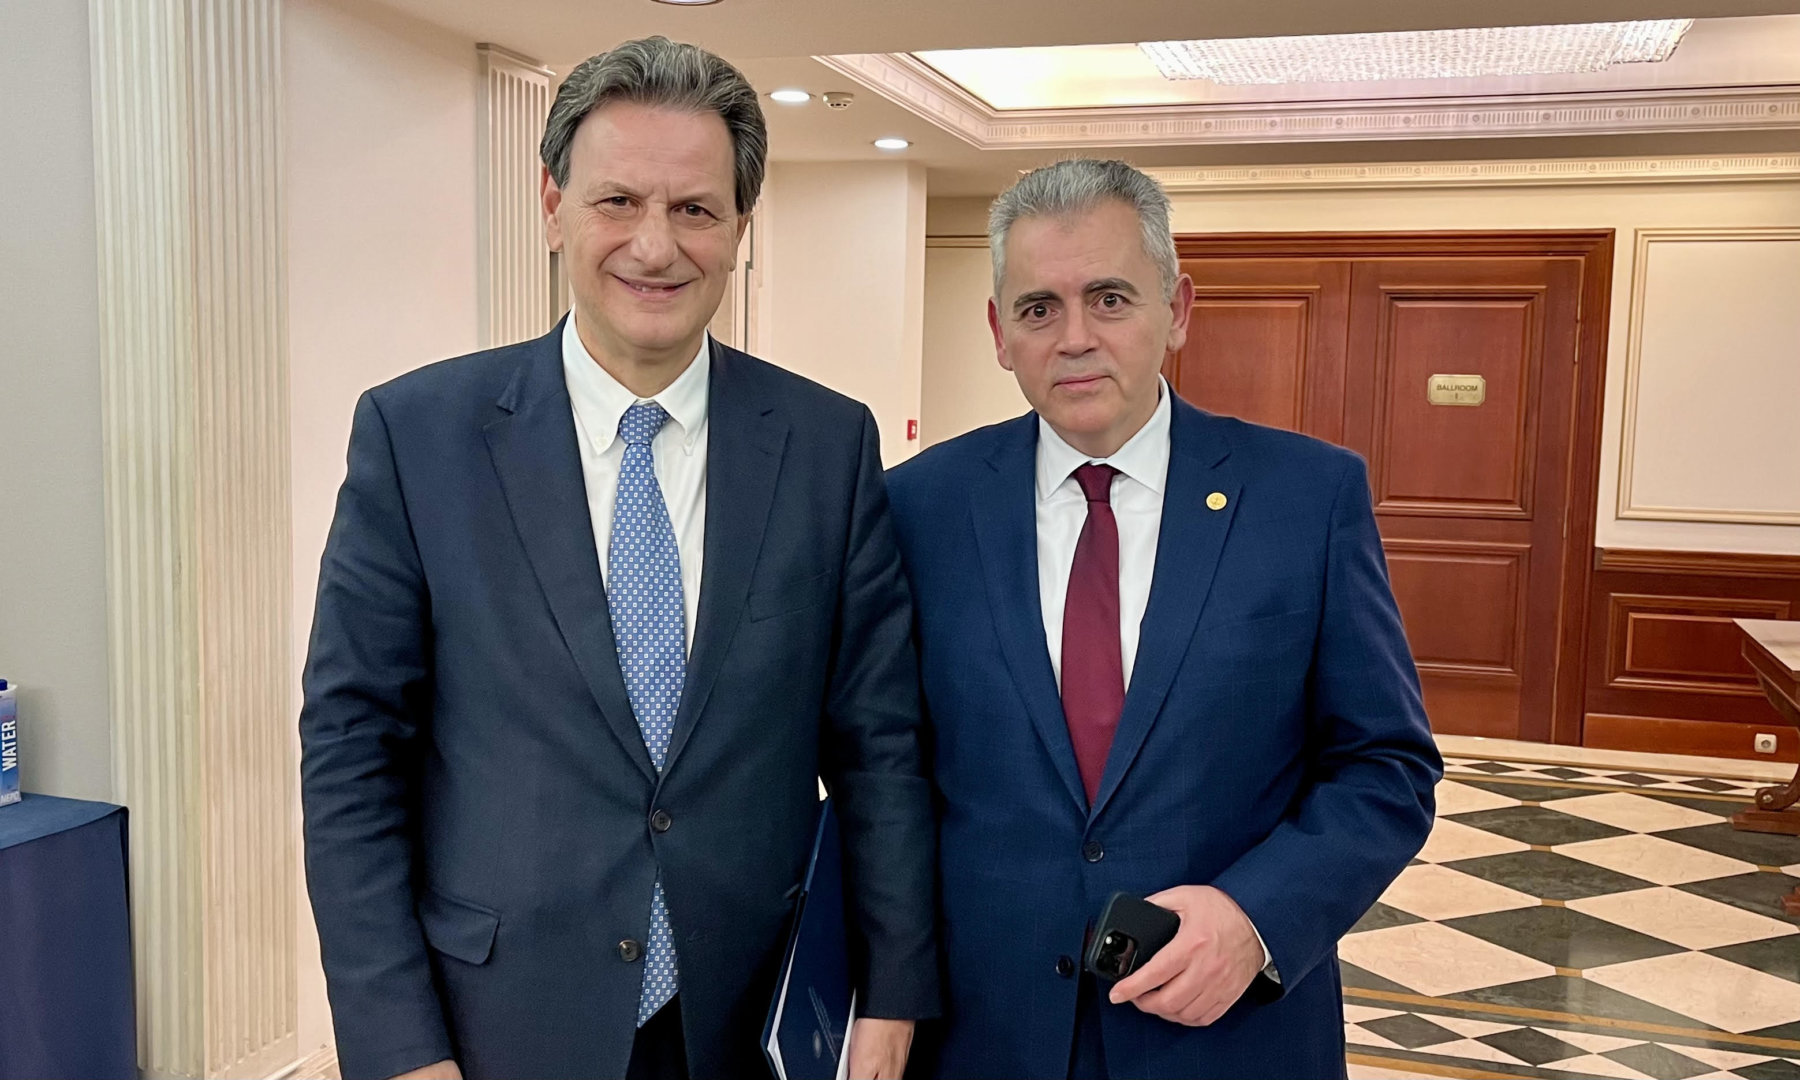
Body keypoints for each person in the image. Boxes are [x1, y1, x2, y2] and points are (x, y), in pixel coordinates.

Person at [300, 36, 935, 1080]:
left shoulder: (828, 447)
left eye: (696, 209)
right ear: (553, 206)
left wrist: (893, 990)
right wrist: (397, 1046)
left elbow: (881, 749)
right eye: (618, 201)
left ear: (740, 228)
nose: (655, 245)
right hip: (493, 1023)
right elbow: (351, 755)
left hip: (750, 1018)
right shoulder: (418, 438)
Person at [886, 158, 1441, 1080]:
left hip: (1229, 1034)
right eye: (1038, 308)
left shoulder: (1306, 498)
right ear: (999, 333)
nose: (1074, 338)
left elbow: (1387, 766)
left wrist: (1256, 918)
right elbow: (886, 776)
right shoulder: (918, 507)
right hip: (986, 1032)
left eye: (1109, 299)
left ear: (1176, 310)